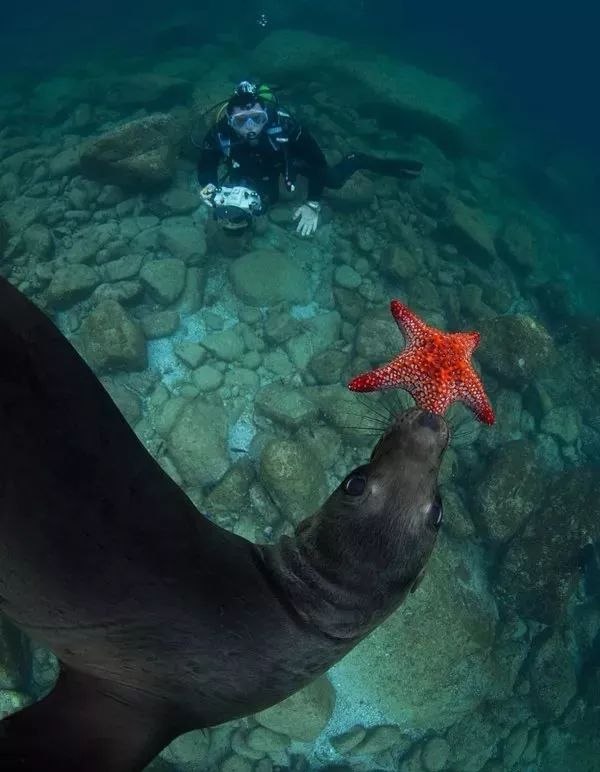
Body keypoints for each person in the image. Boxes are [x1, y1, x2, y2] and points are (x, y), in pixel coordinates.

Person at [196, 80, 423, 237]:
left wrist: (313, 203)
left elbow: (316, 162)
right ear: (229, 120)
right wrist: (208, 185)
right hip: (245, 163)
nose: (251, 128)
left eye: (256, 118)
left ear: (266, 114)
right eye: (241, 121)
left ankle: (359, 159)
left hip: (284, 158)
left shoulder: (285, 126)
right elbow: (206, 164)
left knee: (332, 180)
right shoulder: (220, 132)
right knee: (262, 201)